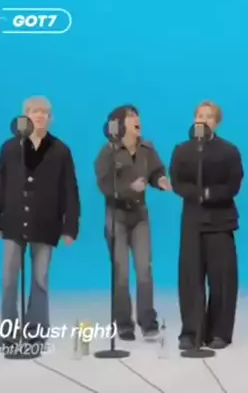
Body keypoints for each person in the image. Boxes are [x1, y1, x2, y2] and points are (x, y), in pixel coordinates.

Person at [0, 96, 80, 351]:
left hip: (46, 222)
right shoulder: (10, 147)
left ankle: (36, 332)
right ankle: (8, 334)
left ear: (50, 118)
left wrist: (70, 227)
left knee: (40, 279)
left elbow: (70, 190)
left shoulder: (60, 150)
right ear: (25, 116)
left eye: (44, 112)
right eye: (34, 111)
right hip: (13, 221)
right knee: (9, 279)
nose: (39, 115)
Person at [170, 101, 243, 350]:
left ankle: (219, 332)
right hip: (193, 220)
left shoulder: (229, 151)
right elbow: (177, 181)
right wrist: (196, 194)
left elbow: (234, 184)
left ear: (217, 122)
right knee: (190, 277)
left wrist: (210, 194)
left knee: (222, 278)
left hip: (220, 220)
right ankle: (192, 332)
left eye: (209, 116)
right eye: (200, 115)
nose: (203, 119)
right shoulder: (182, 150)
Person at [94, 105, 170, 341]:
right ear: (118, 124)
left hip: (139, 215)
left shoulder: (147, 148)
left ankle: (148, 322)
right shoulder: (108, 151)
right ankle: (123, 323)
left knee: (144, 269)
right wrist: (129, 188)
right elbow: (105, 185)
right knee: (121, 272)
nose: (136, 119)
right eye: (130, 116)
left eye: (137, 115)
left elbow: (156, 171)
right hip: (116, 215)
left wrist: (160, 180)